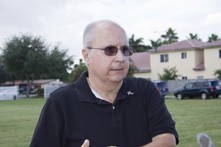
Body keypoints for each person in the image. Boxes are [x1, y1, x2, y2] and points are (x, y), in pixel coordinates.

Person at [30, 20, 179, 147]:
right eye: (110, 50)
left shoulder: (145, 90)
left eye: (125, 50)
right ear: (87, 56)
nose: (120, 58)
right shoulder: (60, 102)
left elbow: (167, 139)